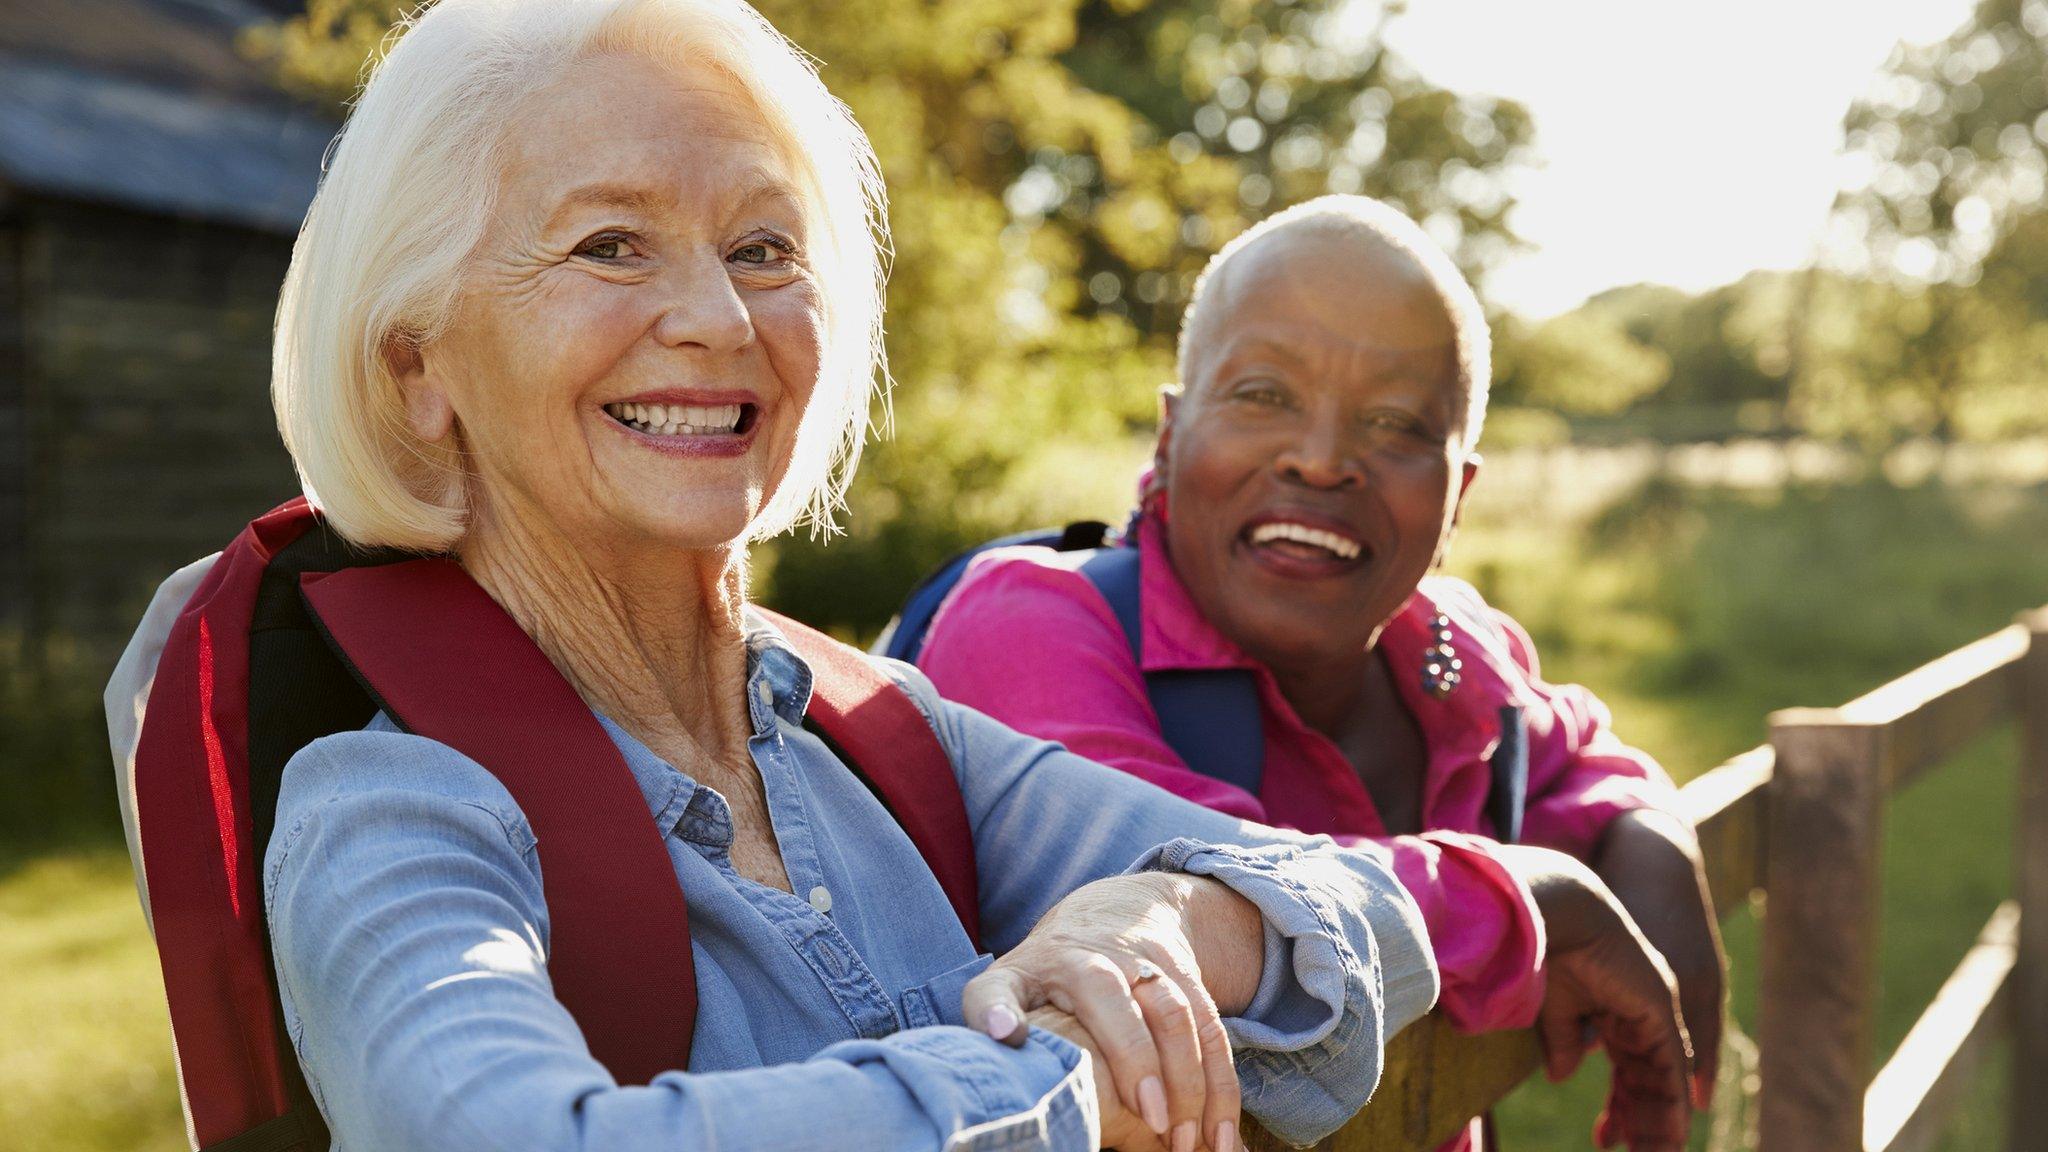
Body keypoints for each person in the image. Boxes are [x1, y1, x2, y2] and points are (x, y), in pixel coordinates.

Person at [102, 8, 1440, 1152]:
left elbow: (1368, 910)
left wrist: (1154, 921)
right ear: (418, 367)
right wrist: (1068, 1080)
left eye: (764, 250)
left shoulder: (884, 742)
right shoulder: (391, 812)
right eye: (609, 245)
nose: (718, 319)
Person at [916, 196, 1723, 1152]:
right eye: (1263, 394)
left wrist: (1655, 841)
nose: (1322, 458)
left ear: (1457, 495)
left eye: (1394, 421)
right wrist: (1536, 900)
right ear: (1169, 439)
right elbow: (1214, 909)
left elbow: (1576, 759)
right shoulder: (1033, 625)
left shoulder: (1455, 658)